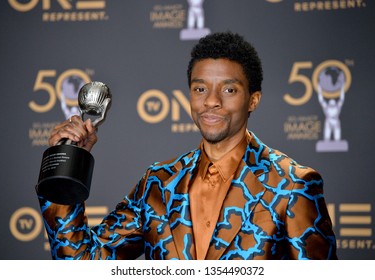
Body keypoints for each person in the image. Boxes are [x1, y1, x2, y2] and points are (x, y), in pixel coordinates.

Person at [37, 31, 337, 260]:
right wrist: (66, 167)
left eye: (229, 89)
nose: (211, 101)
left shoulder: (293, 185)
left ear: (253, 100)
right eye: (200, 88)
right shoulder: (159, 183)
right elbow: (83, 262)